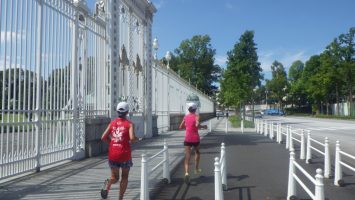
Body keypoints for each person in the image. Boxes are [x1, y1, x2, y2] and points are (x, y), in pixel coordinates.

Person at [100, 101, 139, 200]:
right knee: (124, 177)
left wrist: (112, 143)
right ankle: (120, 198)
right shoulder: (129, 124)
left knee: (115, 177)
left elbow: (103, 137)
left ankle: (109, 182)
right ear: (127, 112)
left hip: (113, 154)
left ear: (117, 111)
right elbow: (132, 138)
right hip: (124, 154)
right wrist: (137, 139)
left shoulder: (112, 123)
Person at [179, 102, 207, 184]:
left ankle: (187, 173)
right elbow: (197, 124)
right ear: (195, 109)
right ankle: (196, 168)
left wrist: (187, 126)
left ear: (189, 109)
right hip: (195, 138)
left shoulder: (185, 117)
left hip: (187, 138)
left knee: (187, 155)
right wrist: (203, 126)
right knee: (197, 152)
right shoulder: (197, 116)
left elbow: (180, 127)